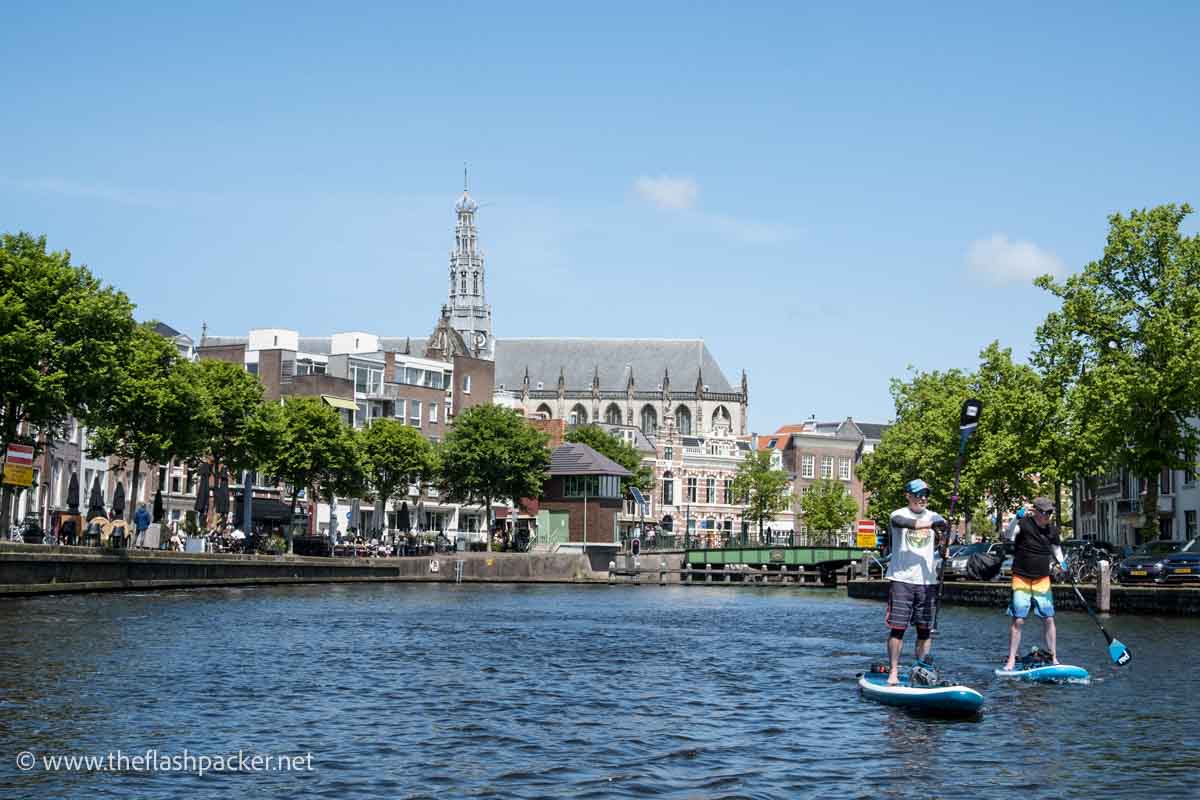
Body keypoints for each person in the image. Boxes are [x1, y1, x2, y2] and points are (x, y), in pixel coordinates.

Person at [884, 478, 949, 685]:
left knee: (924, 629)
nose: (922, 499)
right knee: (898, 628)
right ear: (908, 496)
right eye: (918, 495)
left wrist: (944, 544)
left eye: (925, 495)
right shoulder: (898, 514)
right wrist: (931, 524)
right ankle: (893, 671)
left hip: (927, 581)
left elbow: (942, 536)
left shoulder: (935, 516)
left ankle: (920, 669)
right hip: (901, 579)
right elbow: (905, 524)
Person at [1002, 496, 1068, 670]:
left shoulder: (1052, 530)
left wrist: (1063, 563)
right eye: (1045, 512)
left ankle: (1053, 657)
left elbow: (1056, 549)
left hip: (1042, 578)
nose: (1048, 516)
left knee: (1048, 617)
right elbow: (1008, 536)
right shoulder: (1023, 524)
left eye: (1050, 513)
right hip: (1021, 577)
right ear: (1036, 512)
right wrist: (1016, 518)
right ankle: (1011, 659)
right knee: (1019, 620)